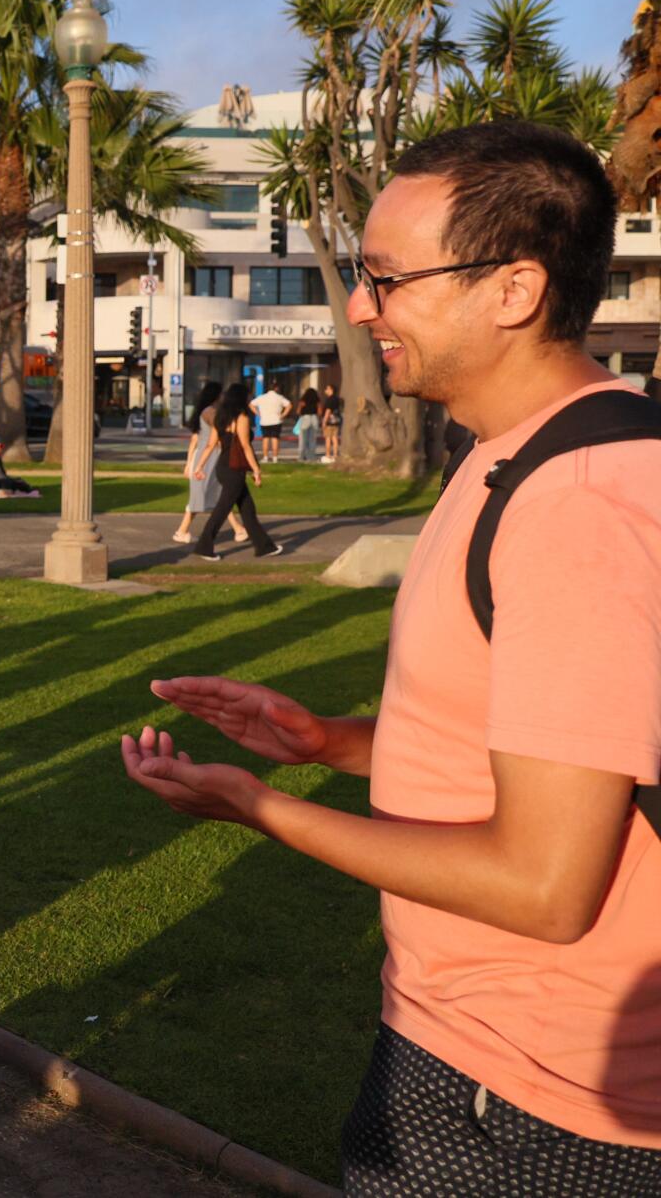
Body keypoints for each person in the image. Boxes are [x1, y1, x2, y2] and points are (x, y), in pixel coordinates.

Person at [124, 121, 661, 1192]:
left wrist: (255, 807)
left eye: (385, 278)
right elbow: (520, 752)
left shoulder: (581, 504)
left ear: (511, 289)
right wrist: (320, 741)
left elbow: (544, 883)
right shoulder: (510, 452)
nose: (360, 306)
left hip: (536, 1105)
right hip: (459, 1047)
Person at [190, 383, 281, 560]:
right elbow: (246, 446)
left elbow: (210, 445)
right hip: (234, 469)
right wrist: (256, 470)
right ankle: (204, 546)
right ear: (241, 398)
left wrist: (199, 466)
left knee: (248, 509)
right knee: (222, 509)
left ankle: (264, 547)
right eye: (248, 396)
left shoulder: (220, 417)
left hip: (222, 467)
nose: (249, 399)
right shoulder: (241, 417)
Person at [172, 380, 246, 545]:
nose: (223, 396)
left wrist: (189, 463)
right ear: (216, 395)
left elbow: (194, 440)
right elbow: (221, 430)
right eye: (221, 393)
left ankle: (238, 529)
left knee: (217, 494)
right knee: (204, 496)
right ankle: (182, 531)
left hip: (208, 457)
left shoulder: (207, 412)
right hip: (208, 459)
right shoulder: (210, 412)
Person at [249, 381, 291, 462]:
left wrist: (257, 413)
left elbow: (251, 404)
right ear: (276, 388)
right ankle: (275, 457)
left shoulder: (262, 397)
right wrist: (283, 415)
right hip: (276, 420)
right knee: (275, 438)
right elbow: (289, 405)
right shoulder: (279, 397)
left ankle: (265, 457)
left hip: (264, 420)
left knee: (265, 438)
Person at [292, 386, 322, 462]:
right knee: (312, 439)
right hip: (314, 418)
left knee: (303, 439)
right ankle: (311, 456)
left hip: (305, 418)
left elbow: (298, 411)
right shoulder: (317, 401)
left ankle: (301, 456)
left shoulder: (303, 400)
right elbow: (320, 412)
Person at [322, 381, 343, 462]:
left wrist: (324, 421)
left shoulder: (329, 400)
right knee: (335, 438)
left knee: (328, 438)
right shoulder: (337, 399)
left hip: (329, 422)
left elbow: (328, 411)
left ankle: (327, 455)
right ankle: (335, 455)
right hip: (336, 421)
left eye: (327, 389)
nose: (325, 390)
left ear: (331, 389)